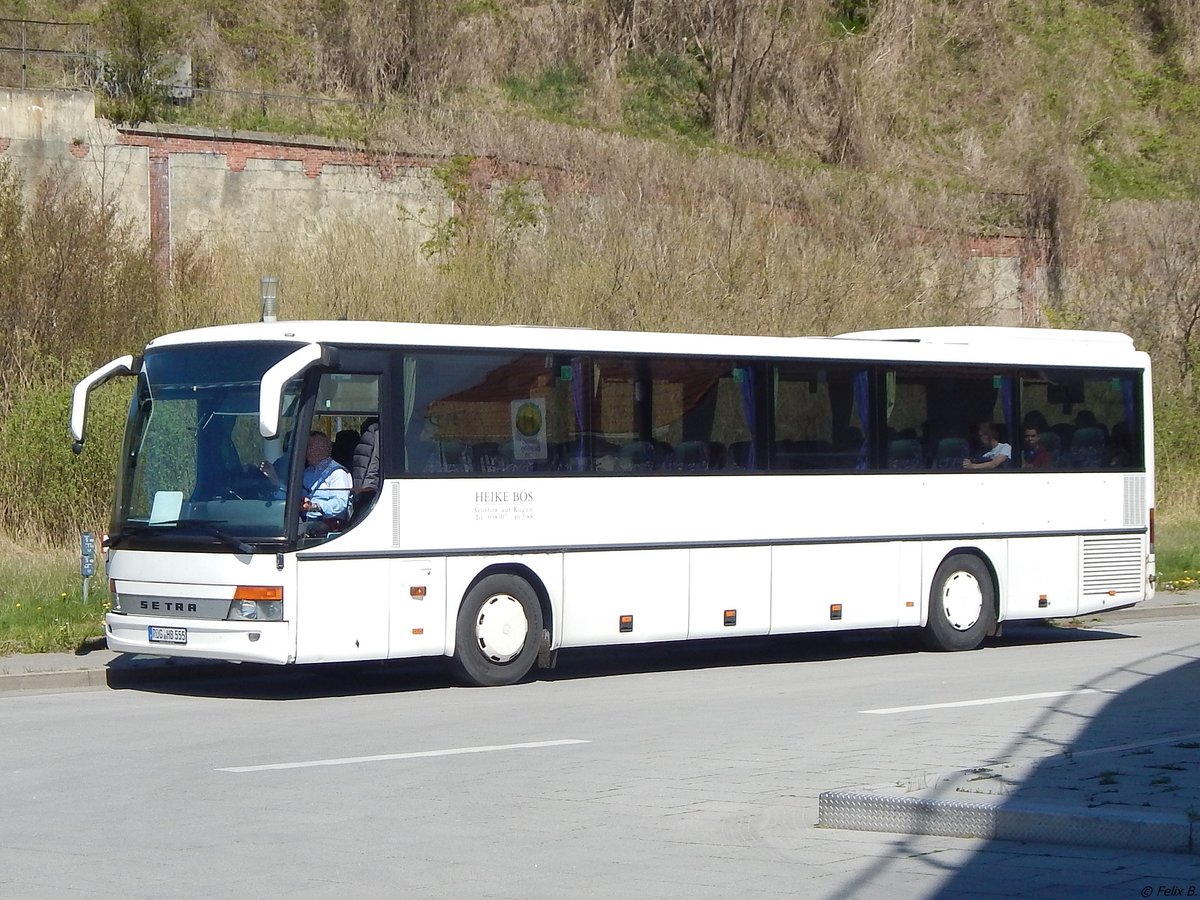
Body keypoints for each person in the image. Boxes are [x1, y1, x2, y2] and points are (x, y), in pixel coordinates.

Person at [300, 431, 352, 532]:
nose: (307, 451)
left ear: (326, 449)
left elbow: (340, 504)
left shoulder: (337, 472)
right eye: (307, 447)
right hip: (301, 522)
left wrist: (314, 506)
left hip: (327, 527)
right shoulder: (306, 472)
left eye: (311, 446)